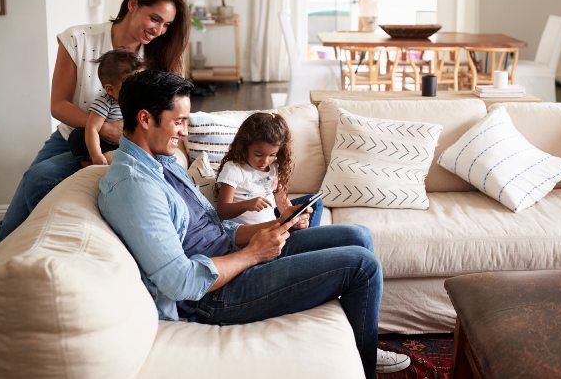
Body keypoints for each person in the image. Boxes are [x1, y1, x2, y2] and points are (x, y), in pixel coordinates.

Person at [97, 71, 411, 377]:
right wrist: (254, 254)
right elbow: (181, 283)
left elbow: (214, 227)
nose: (184, 132)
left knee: (357, 235)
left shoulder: (161, 162)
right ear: (145, 119)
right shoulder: (135, 187)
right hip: (213, 295)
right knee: (361, 265)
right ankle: (367, 360)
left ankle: (360, 340)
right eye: (178, 122)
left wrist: (267, 229)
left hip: (233, 256)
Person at [0, 0, 189, 241]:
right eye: (154, 18)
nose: (159, 30)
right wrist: (103, 127)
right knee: (11, 225)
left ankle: (47, 244)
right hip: (72, 135)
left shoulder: (158, 57)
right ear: (132, 5)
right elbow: (59, 105)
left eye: (167, 24)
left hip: (123, 146)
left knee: (41, 177)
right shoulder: (79, 39)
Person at [215, 112, 323, 227]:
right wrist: (246, 205)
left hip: (274, 225)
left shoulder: (274, 167)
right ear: (244, 146)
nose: (265, 161)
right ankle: (305, 239)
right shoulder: (234, 169)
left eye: (272, 155)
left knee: (315, 203)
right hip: (254, 234)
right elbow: (222, 211)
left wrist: (295, 220)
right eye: (258, 154)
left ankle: (304, 235)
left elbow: (283, 203)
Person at [68, 49, 144, 166]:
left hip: (127, 144)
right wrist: (96, 154)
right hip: (105, 144)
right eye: (131, 87)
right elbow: (92, 128)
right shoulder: (105, 102)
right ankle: (88, 163)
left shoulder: (140, 100)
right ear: (110, 89)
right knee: (78, 135)